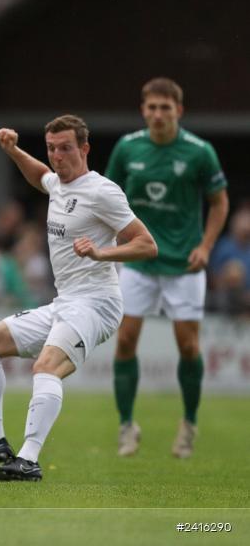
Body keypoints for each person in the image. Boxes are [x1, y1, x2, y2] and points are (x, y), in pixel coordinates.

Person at [0, 116, 157, 482]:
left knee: (46, 367)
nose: (58, 156)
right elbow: (40, 175)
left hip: (97, 304)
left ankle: (28, 459)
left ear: (85, 149)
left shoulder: (102, 192)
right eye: (52, 148)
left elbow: (147, 245)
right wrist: (14, 151)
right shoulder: (57, 184)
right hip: (65, 303)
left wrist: (102, 253)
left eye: (66, 148)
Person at [106, 78, 229, 459]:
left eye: (165, 108)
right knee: (125, 341)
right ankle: (126, 426)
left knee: (188, 346)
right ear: (143, 110)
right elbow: (107, 197)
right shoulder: (128, 148)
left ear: (179, 111)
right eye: (152, 107)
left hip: (184, 264)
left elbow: (219, 202)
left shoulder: (200, 152)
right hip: (138, 261)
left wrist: (206, 246)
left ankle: (189, 423)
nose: (158, 114)